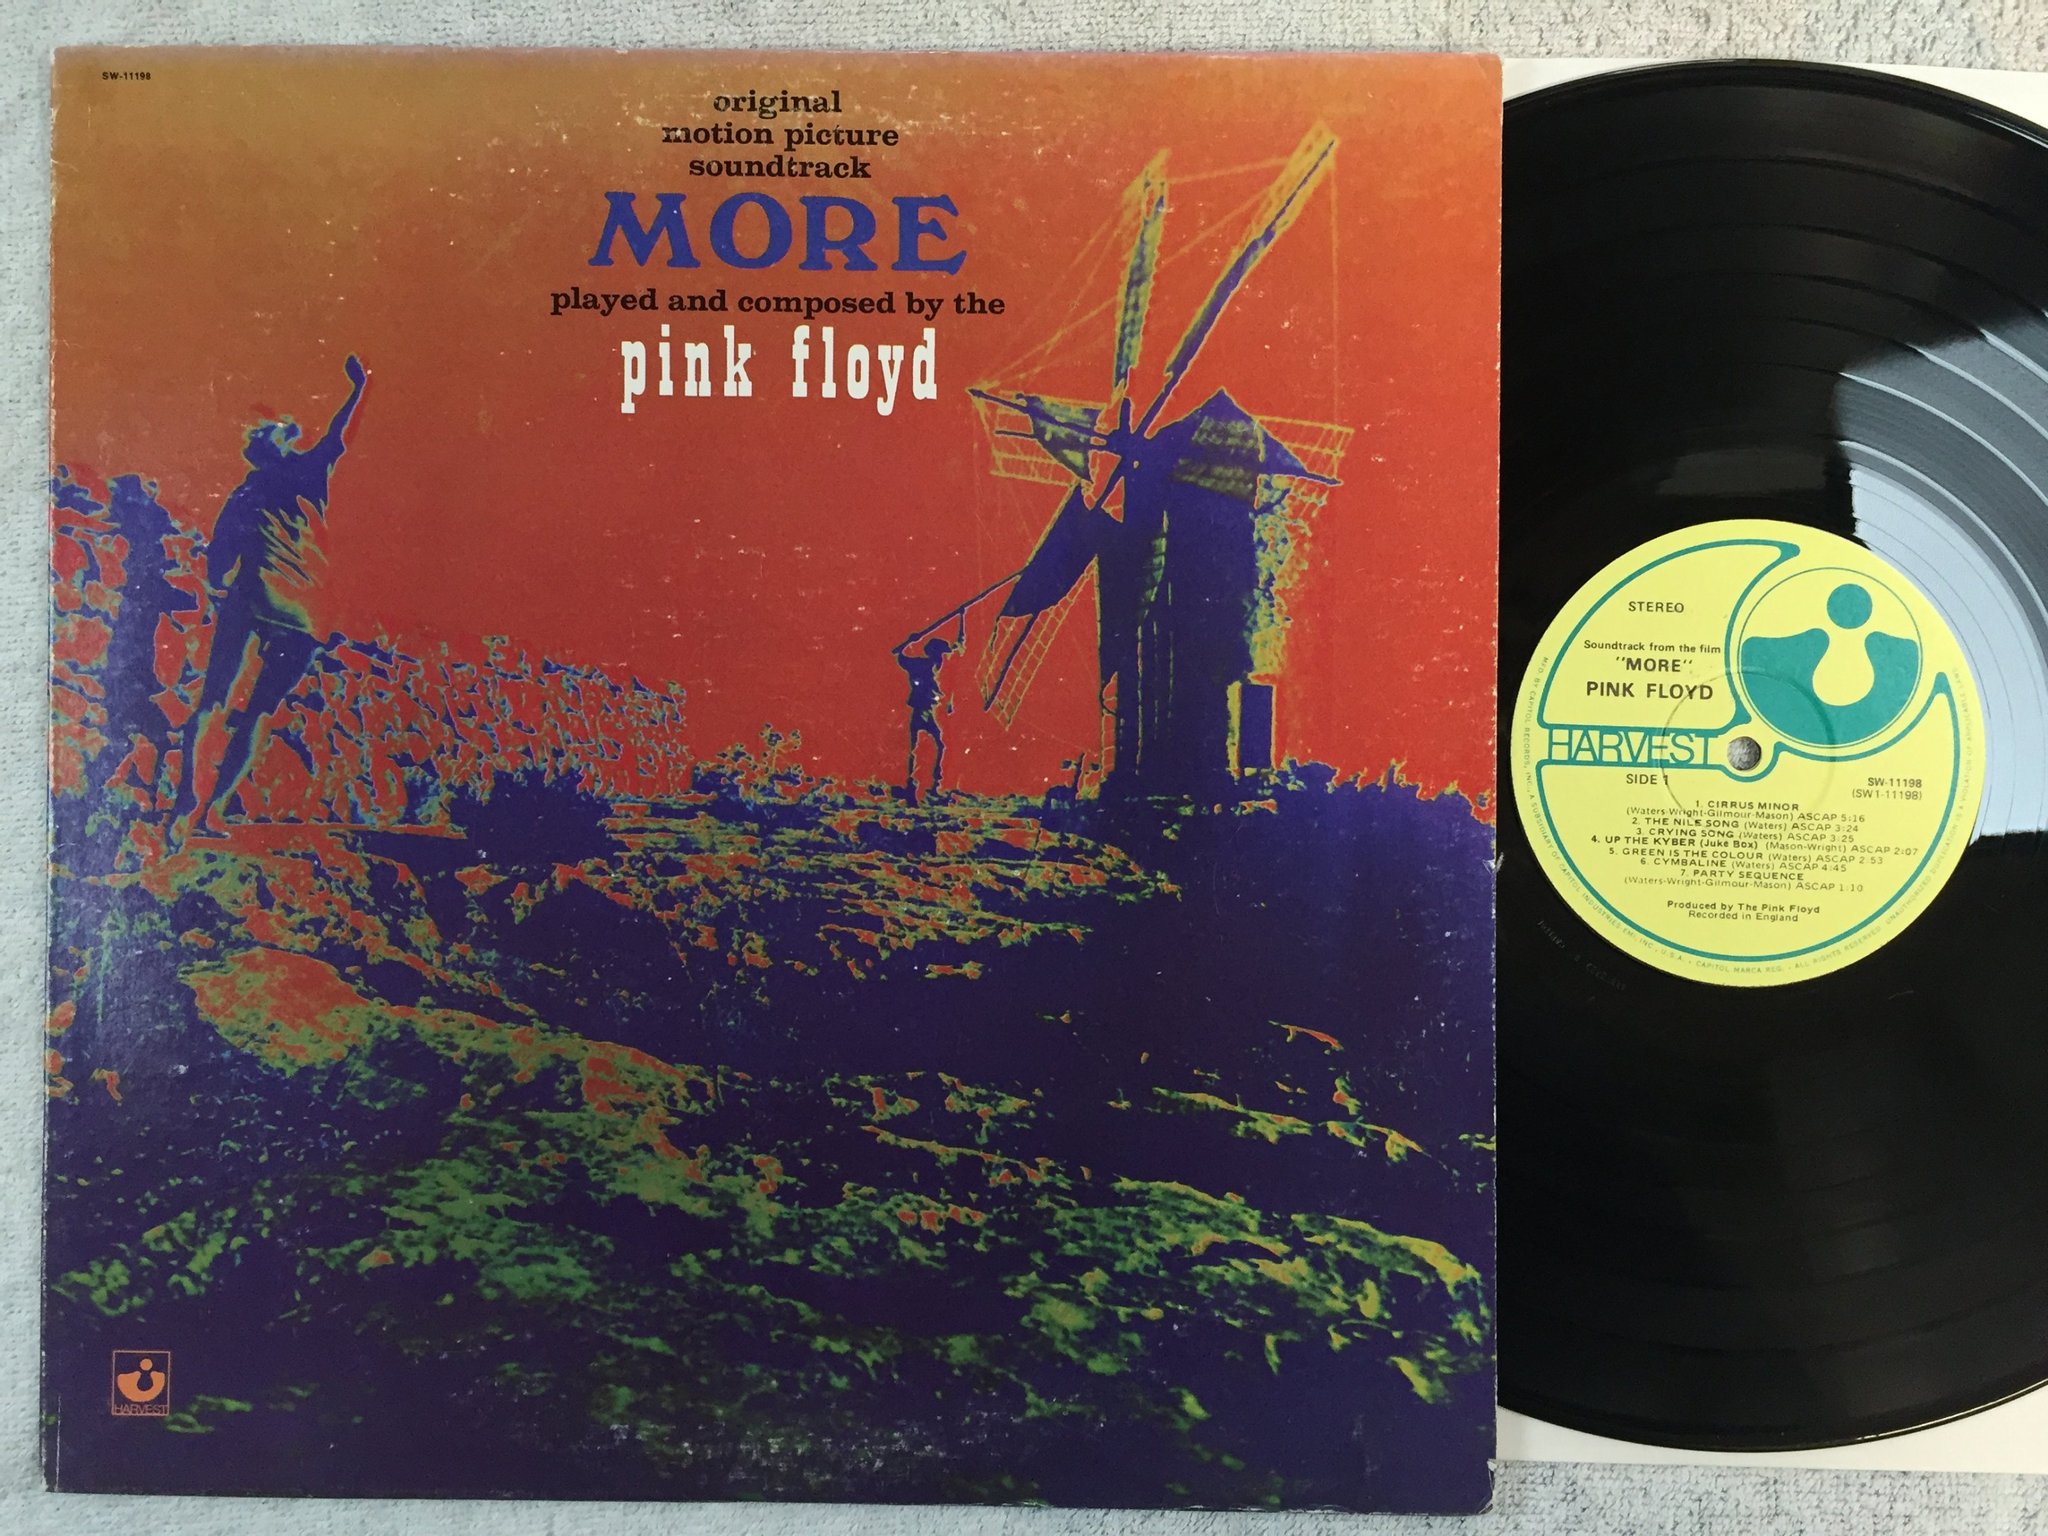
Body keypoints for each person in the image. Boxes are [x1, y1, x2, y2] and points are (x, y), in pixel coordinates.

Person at [169, 355, 367, 847]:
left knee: (215, 700)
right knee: (261, 710)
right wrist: (360, 388)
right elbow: (341, 434)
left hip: (257, 596)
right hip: (309, 612)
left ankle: (186, 808)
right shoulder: (310, 473)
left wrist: (220, 588)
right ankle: (216, 811)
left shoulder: (245, 492)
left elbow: (218, 564)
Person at [894, 631, 955, 800]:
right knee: (923, 746)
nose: (942, 657)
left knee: (926, 745)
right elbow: (900, 658)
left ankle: (924, 784)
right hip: (923, 709)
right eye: (940, 653)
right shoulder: (922, 665)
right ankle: (920, 784)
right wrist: (909, 641)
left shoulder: (934, 666)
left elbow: (901, 658)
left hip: (928, 709)